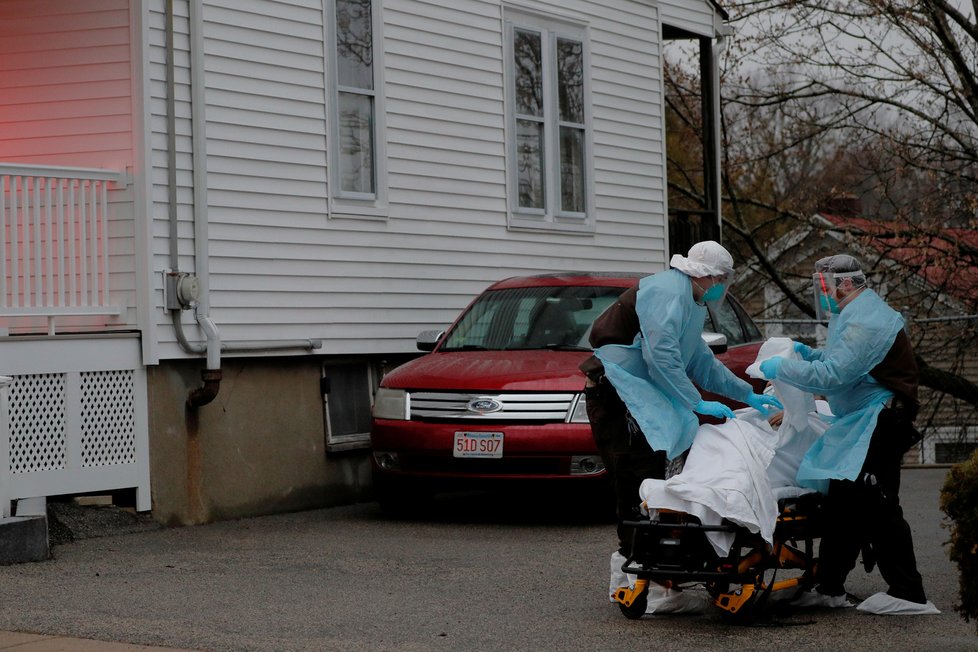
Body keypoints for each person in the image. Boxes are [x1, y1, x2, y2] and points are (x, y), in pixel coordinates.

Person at [579, 240, 782, 601]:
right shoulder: (667, 294)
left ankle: (659, 575)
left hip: (637, 392)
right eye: (720, 278)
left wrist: (745, 393)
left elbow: (699, 360)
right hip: (615, 392)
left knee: (660, 473)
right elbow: (662, 359)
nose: (722, 285)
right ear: (704, 275)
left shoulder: (691, 301)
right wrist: (696, 402)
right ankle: (630, 578)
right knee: (636, 480)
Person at [758, 254, 939, 615]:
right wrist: (808, 354)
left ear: (844, 283)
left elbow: (836, 375)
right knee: (843, 504)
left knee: (878, 505)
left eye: (824, 285)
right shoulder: (851, 314)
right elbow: (836, 361)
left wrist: (785, 367)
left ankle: (909, 592)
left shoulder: (868, 320)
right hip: (863, 419)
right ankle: (829, 587)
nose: (821, 292)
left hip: (881, 420)